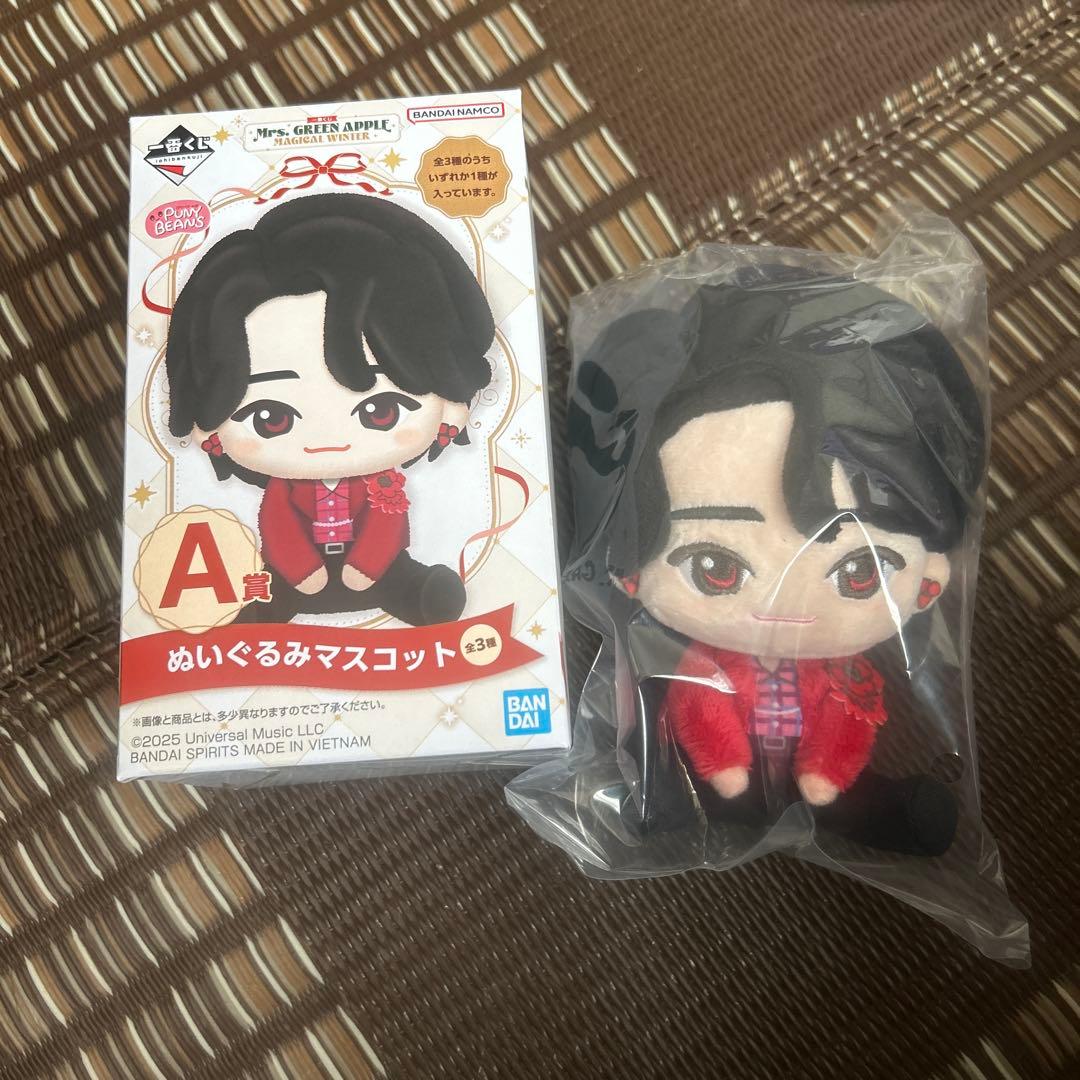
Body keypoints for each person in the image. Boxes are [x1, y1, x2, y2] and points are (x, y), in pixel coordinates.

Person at [575, 269, 986, 854]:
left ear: (929, 584)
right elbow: (699, 705)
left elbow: (846, 721)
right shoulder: (703, 664)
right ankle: (686, 793)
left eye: (859, 572)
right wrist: (723, 766)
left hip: (809, 772)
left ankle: (840, 804)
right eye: (716, 567)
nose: (784, 605)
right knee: (676, 759)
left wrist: (825, 774)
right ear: (632, 570)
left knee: (842, 788)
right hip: (716, 767)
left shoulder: (843, 676)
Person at [165, 193, 494, 625]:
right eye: (272, 419)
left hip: (379, 571)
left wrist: (367, 567)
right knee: (266, 594)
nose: (327, 440)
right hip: (297, 577)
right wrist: (302, 571)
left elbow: (386, 522)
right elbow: (278, 524)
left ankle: (419, 596)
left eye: (381, 411)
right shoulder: (285, 490)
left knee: (406, 583)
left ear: (450, 402)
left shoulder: (383, 484)